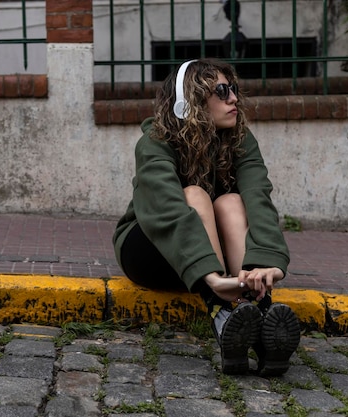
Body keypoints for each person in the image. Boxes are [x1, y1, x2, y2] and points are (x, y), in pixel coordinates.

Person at [112, 58, 301, 376]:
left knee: (230, 201)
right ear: (193, 102)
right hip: (152, 249)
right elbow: (170, 212)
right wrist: (211, 279)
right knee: (195, 195)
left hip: (216, 261)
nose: (234, 99)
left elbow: (258, 199)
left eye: (234, 89)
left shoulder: (241, 141)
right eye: (223, 91)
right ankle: (223, 311)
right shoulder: (155, 143)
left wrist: (271, 262)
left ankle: (258, 318)